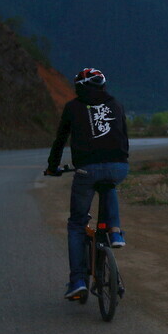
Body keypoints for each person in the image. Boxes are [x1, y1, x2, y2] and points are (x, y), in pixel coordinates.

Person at [45, 68, 130, 300]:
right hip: (118, 166)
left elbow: (60, 139)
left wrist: (53, 167)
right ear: (102, 85)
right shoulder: (116, 104)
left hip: (86, 169)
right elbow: (124, 134)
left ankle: (78, 280)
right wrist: (120, 159)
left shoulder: (73, 107)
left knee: (76, 223)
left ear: (79, 87)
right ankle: (114, 232)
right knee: (109, 182)